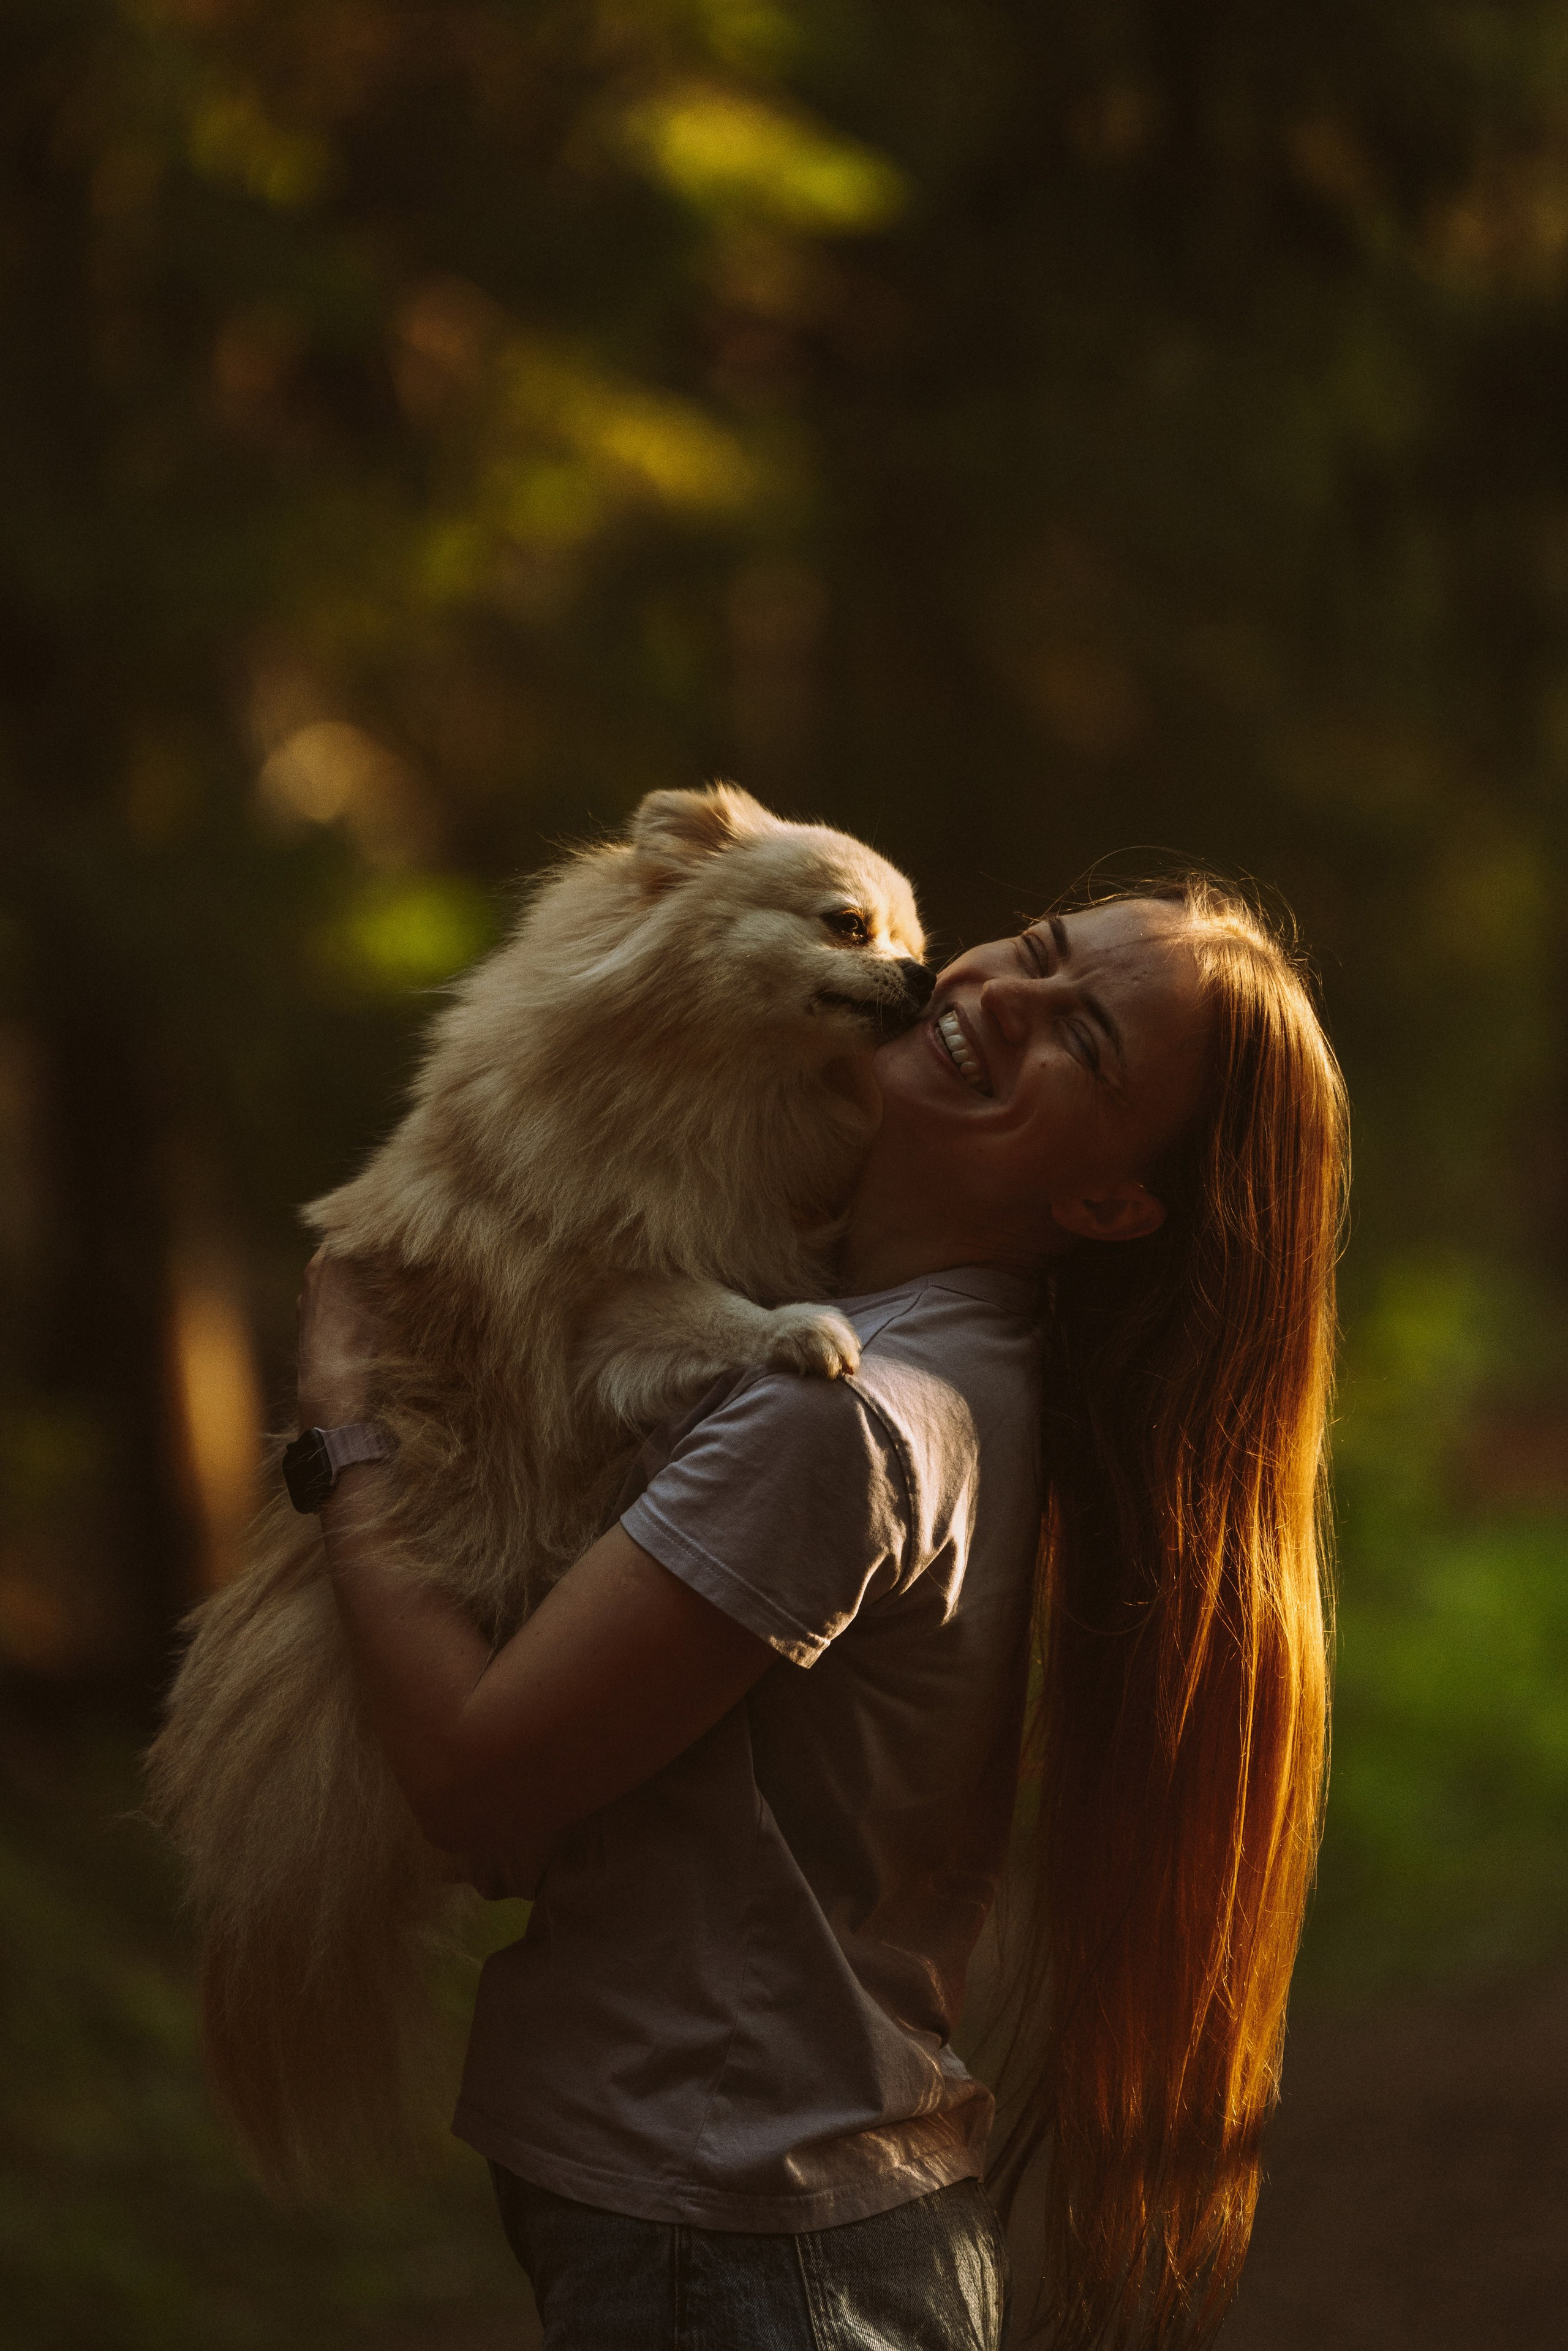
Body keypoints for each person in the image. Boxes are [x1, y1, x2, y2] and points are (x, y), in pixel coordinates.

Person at [296, 879, 1346, 2351]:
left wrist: (344, 1428)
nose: (995, 996)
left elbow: (476, 1773)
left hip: (735, 2240)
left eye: (1083, 1040)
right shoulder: (935, 1363)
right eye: (1033, 952)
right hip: (773, 2219)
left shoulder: (845, 1420)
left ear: (1110, 1202)